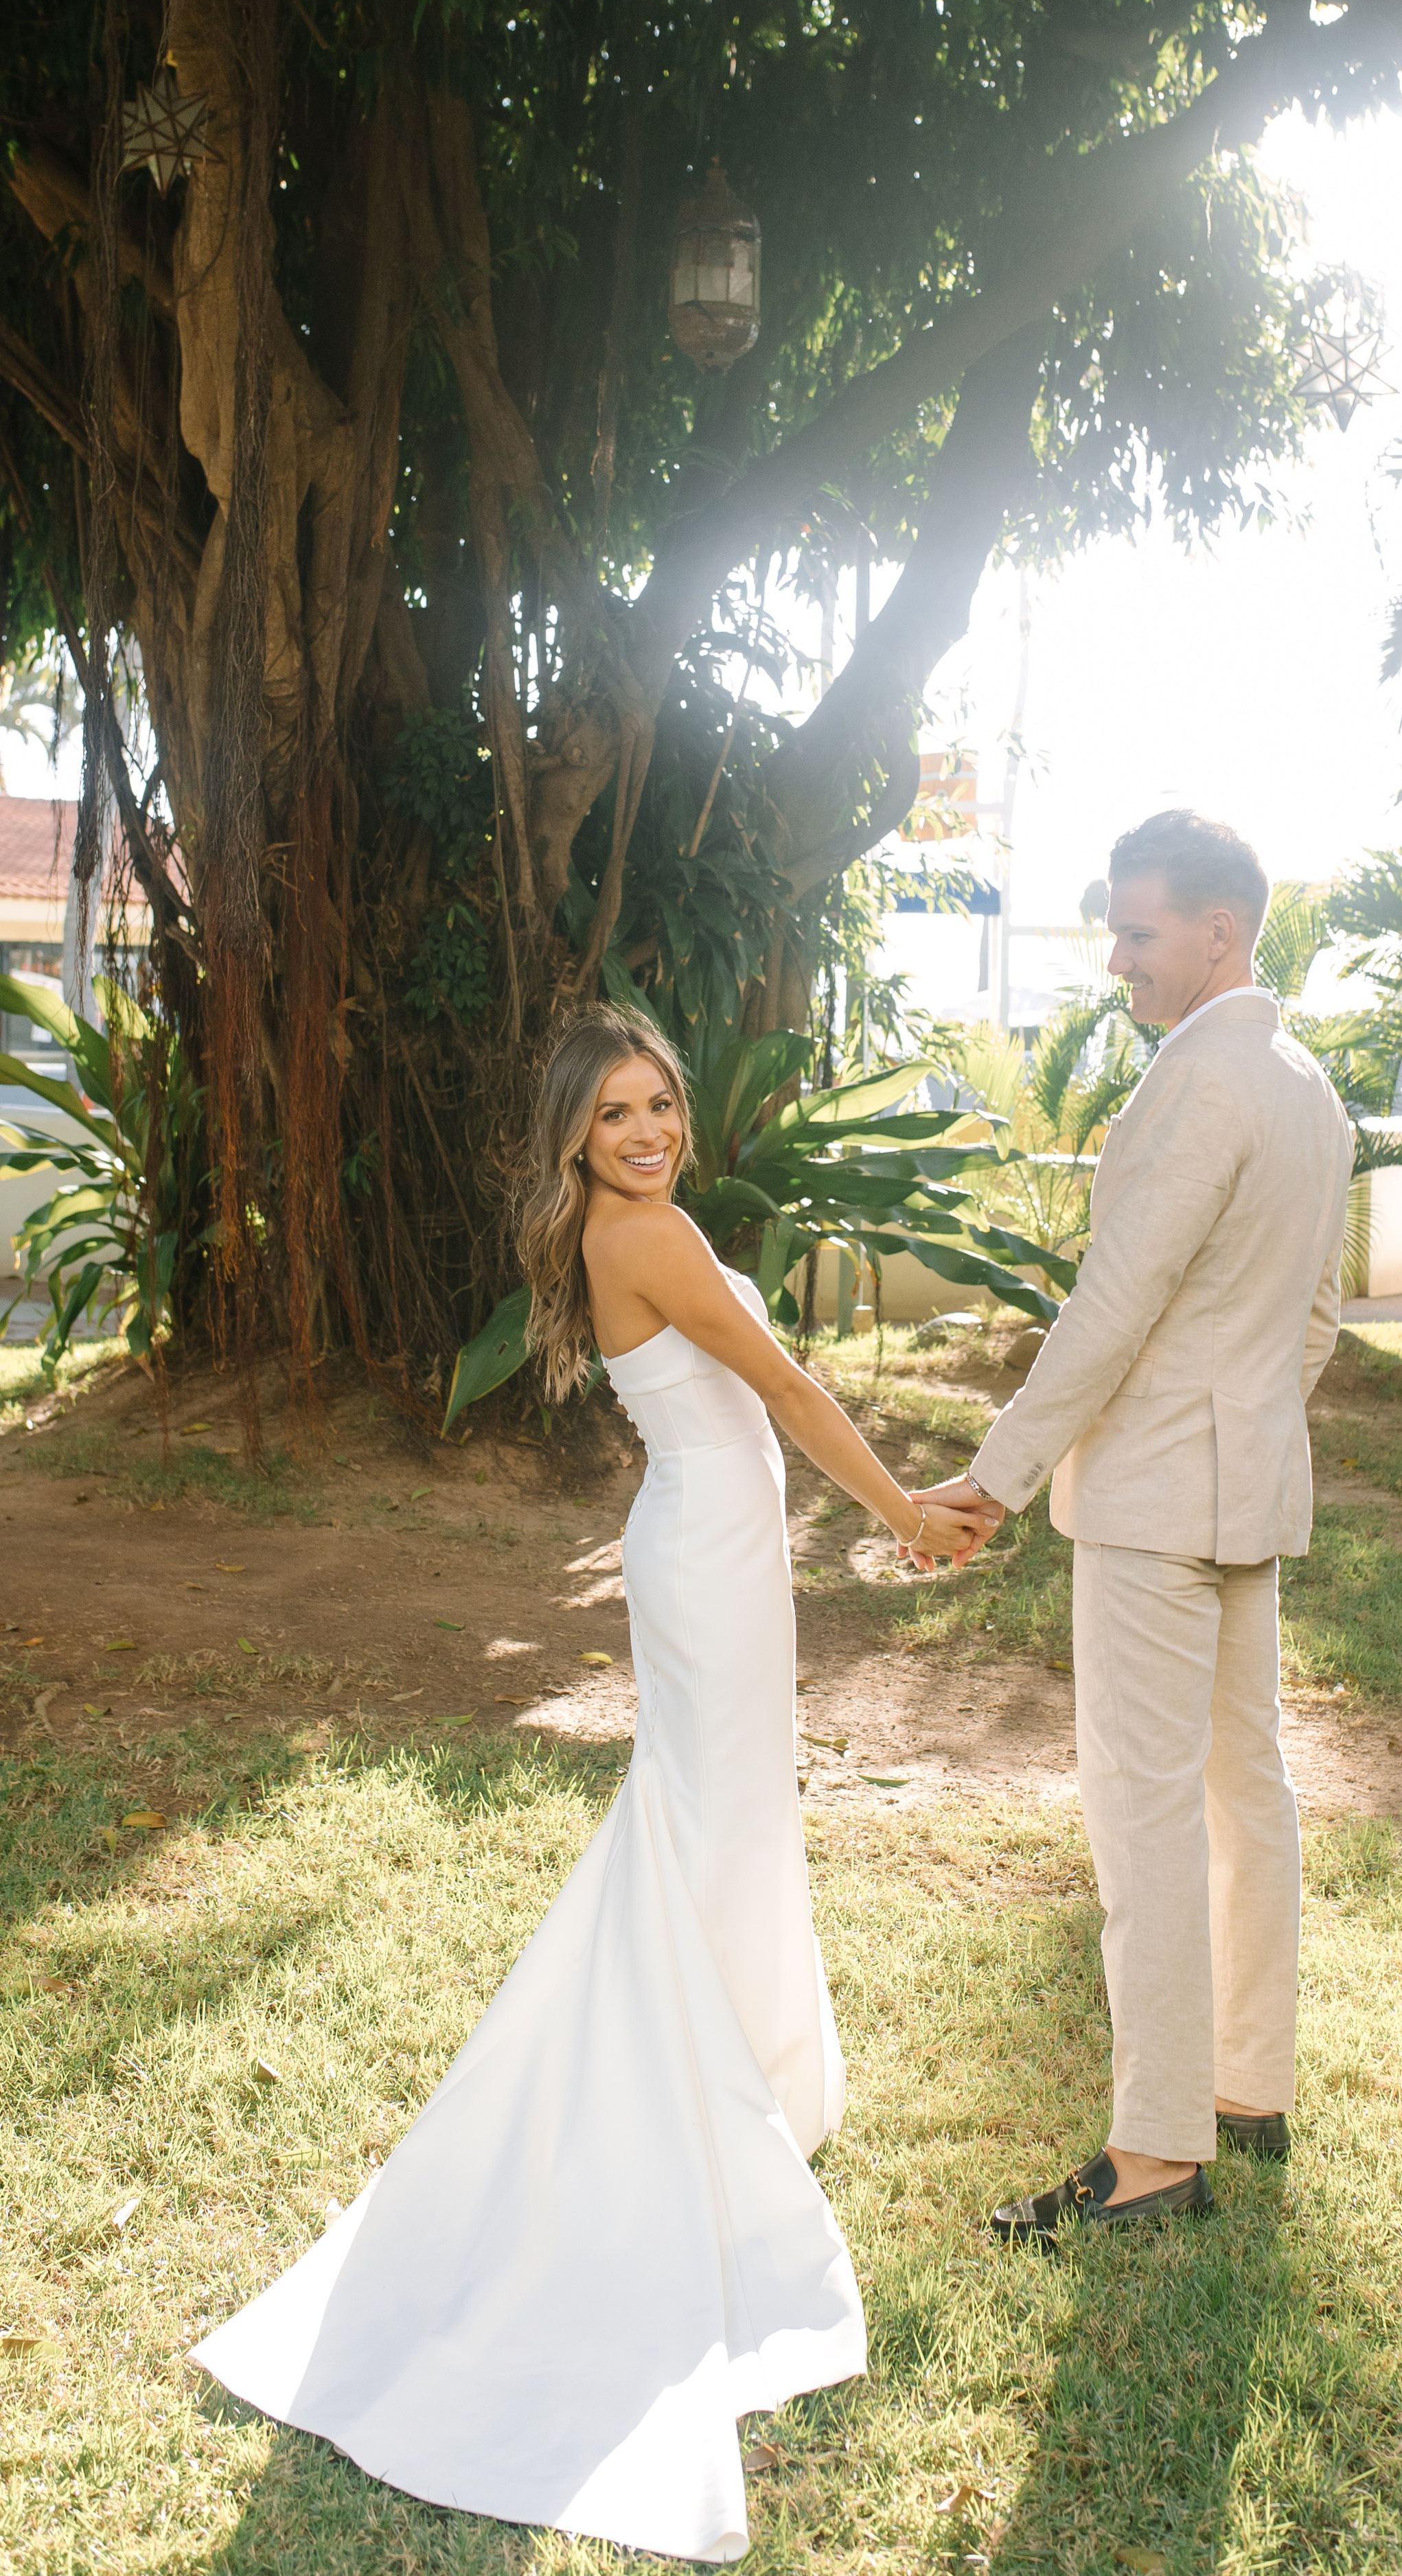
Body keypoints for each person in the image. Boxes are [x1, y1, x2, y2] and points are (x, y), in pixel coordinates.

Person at [194, 1005, 990, 2563]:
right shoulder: (654, 1236)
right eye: (616, 1112)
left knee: (727, 1821)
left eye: (660, 1105)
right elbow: (787, 1388)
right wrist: (905, 1510)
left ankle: (738, 2072)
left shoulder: (622, 1230)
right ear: (575, 1134)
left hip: (710, 1549)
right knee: (703, 1826)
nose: (647, 1130)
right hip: (704, 1555)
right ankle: (671, 2101)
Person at [919, 810, 1353, 2236]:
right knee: (1248, 1794)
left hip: (1158, 1502)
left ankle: (1155, 2151)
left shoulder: (1200, 1082)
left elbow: (1113, 1303)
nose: (1116, 958)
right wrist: (1244, 1428)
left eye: (1135, 930)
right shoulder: (1306, 1086)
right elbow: (1314, 1317)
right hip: (1241, 1494)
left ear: (1217, 933)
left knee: (1145, 1814)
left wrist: (997, 1471)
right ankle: (1246, 2086)